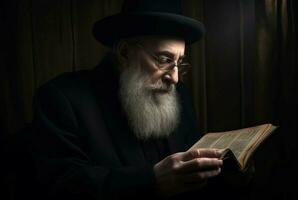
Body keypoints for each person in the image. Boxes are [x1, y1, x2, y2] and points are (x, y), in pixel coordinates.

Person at [28, 0, 253, 199]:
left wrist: (227, 176)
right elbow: (61, 186)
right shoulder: (61, 98)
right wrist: (152, 180)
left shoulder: (178, 96)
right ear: (125, 52)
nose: (174, 78)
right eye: (164, 59)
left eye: (179, 63)